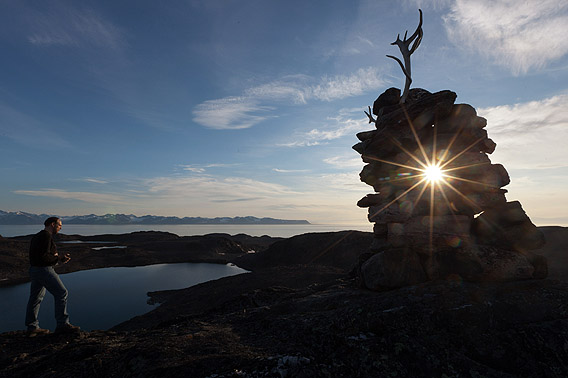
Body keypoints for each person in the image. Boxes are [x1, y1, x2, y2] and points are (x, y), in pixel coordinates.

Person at [25, 217, 80, 335]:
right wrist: (58, 258)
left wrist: (57, 257)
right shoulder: (46, 236)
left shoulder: (37, 236)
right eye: (59, 225)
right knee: (62, 293)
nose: (60, 227)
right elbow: (43, 257)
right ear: (52, 224)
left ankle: (32, 327)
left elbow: (39, 255)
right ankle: (62, 324)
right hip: (43, 270)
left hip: (35, 269)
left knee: (35, 298)